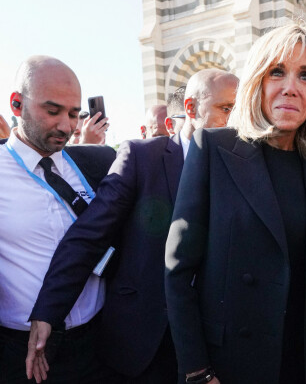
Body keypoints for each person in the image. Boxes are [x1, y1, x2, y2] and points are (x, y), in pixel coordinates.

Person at [25, 69, 238, 384]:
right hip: (144, 343)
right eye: (225, 109)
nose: (234, 120)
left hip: (216, 343)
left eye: (240, 110)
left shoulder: (243, 167)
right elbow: (88, 236)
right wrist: (47, 312)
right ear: (191, 109)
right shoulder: (143, 157)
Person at [165, 22, 306, 384]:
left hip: (299, 364)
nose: (290, 88)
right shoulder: (214, 149)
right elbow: (178, 270)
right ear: (257, 82)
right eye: (277, 72)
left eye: (305, 76)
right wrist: (197, 371)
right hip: (230, 366)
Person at [0, 56, 117, 384]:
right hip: (24, 356)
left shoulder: (97, 162)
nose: (67, 126)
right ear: (17, 104)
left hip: (101, 343)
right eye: (53, 112)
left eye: (73, 114)